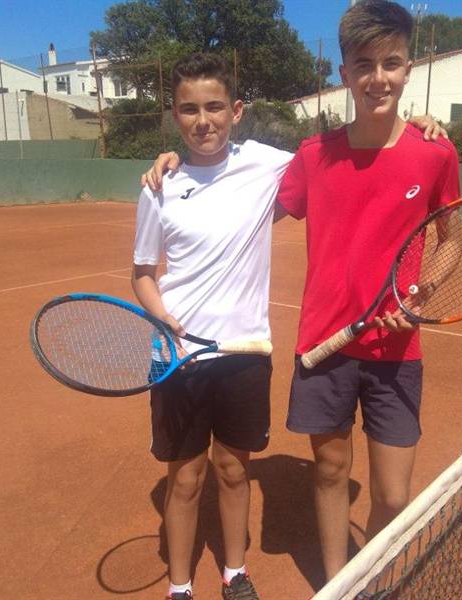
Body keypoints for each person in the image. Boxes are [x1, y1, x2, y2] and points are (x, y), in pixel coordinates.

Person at [274, 0, 461, 592]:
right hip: (324, 343)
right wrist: (182, 163)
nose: (378, 77)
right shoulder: (314, 155)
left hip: (396, 351)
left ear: (408, 69)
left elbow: (452, 241)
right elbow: (252, 202)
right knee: (331, 471)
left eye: (391, 63)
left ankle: (371, 578)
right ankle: (340, 585)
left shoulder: (435, 152)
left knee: (394, 495)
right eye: (364, 65)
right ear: (344, 74)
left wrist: (422, 293)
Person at [132, 52, 294, 600]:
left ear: (237, 110)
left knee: (233, 471)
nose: (203, 120)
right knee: (185, 478)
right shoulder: (158, 186)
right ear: (175, 115)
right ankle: (179, 586)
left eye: (215, 107)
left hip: (245, 351)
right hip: (178, 357)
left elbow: (337, 153)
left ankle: (234, 573)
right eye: (189, 109)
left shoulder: (267, 164)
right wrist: (160, 314)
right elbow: (143, 274)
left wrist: (413, 122)